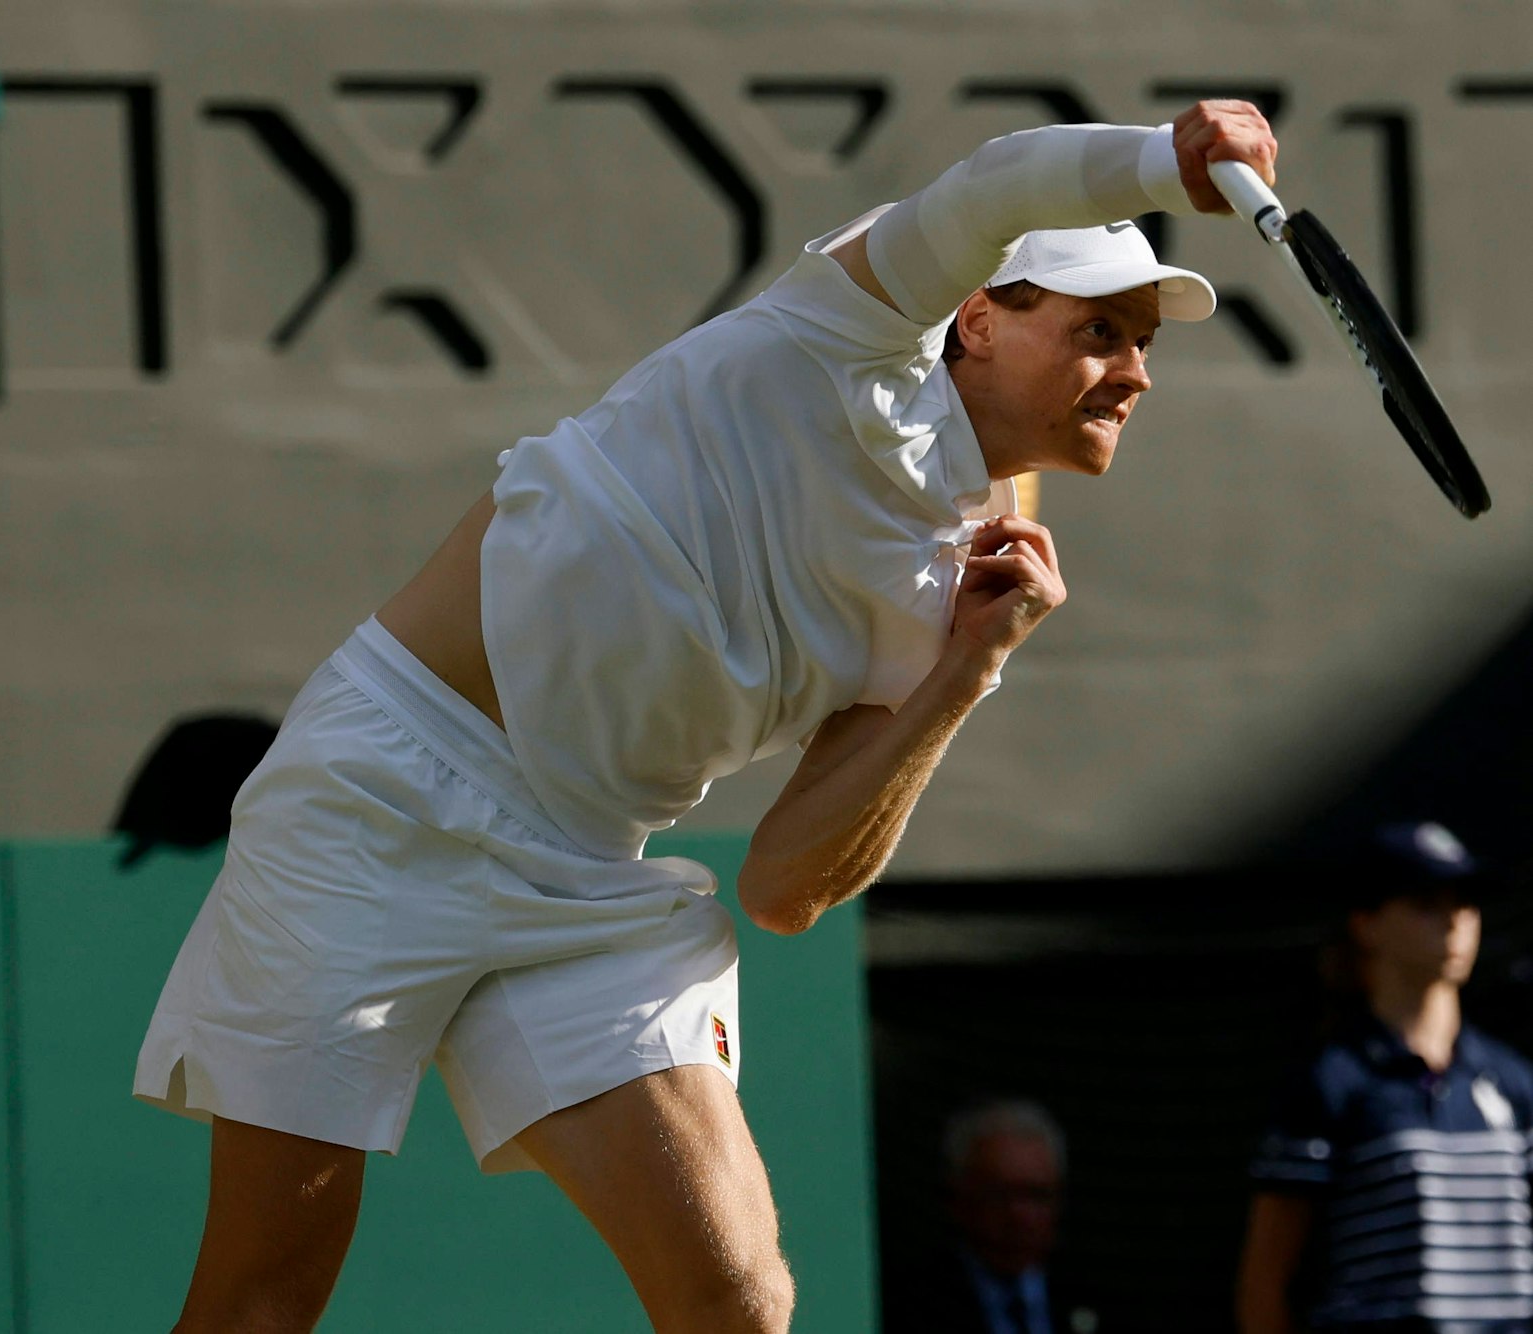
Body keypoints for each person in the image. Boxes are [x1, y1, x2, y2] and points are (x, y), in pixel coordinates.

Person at [134, 100, 1279, 1333]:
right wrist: (1161, 159)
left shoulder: (970, 587)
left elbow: (784, 886)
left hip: (585, 871)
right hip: (379, 795)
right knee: (261, 1299)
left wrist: (965, 672)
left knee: (738, 1297)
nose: (1136, 370)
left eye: (1144, 341)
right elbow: (1002, 180)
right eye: (1101, 329)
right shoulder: (847, 329)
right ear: (980, 319)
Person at [1236, 822, 1533, 1334]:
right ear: (1366, 925)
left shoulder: (1515, 1083)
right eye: (1426, 903)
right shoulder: (1329, 1085)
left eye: (1465, 902)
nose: (1454, 921)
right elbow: (1266, 1284)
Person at [890, 1098, 1103, 1334]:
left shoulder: (1094, 1297)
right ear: (958, 1198)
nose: (1020, 1217)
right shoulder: (911, 1303)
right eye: (1000, 1195)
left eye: (1037, 1195)